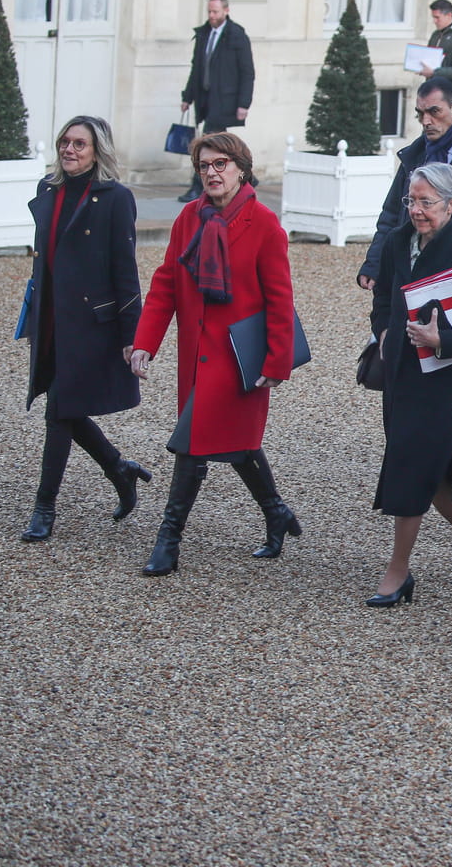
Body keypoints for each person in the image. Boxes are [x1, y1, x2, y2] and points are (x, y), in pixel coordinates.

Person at [129, 133, 300, 575]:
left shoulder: (264, 224)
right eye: (204, 165)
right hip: (195, 354)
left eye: (220, 164)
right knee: (238, 444)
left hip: (238, 358)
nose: (211, 172)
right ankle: (276, 511)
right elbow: (166, 281)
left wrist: (277, 361)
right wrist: (147, 341)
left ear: (241, 168)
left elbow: (279, 298)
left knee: (193, 444)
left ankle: (168, 539)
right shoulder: (189, 217)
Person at [366, 164, 452, 607]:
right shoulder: (398, 241)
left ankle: (398, 571)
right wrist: (383, 333)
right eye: (411, 200)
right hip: (401, 376)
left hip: (447, 383)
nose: (416, 210)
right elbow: (382, 298)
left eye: (426, 202)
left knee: (409, 464)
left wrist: (444, 340)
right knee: (434, 472)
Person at [20, 116, 148, 543]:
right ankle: (119, 468)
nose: (69, 150)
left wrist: (135, 336)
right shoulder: (48, 190)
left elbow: (125, 271)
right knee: (68, 406)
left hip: (92, 325)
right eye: (65, 142)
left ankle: (44, 508)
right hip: (51, 320)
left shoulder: (114, 198)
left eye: (80, 144)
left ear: (98, 151)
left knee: (59, 410)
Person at [358, 77, 452, 291]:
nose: (426, 121)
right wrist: (374, 263)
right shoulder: (415, 154)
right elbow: (392, 213)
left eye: (434, 112)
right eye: (420, 114)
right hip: (414, 259)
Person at [178, 0, 254, 202]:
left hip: (225, 99)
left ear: (226, 11)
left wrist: (243, 103)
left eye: (215, 12)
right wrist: (187, 97)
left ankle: (197, 186)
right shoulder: (203, 34)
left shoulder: (236, 35)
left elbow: (247, 71)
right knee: (221, 143)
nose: (211, 16)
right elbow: (197, 68)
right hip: (205, 97)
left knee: (207, 142)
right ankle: (247, 177)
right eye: (209, 12)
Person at [421, 0, 452, 99]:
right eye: (433, 17)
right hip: (430, 92)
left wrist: (433, 72)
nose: (434, 21)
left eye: (437, 17)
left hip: (448, 96)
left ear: (449, 15)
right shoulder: (436, 35)